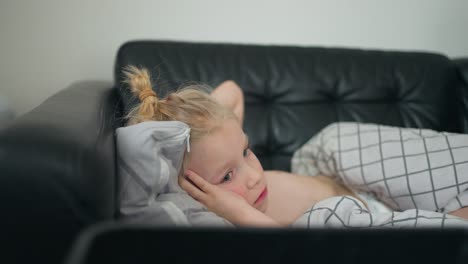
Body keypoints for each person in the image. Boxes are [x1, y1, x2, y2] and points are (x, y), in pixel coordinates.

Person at [123, 66, 468, 226]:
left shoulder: (218, 150)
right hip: (365, 223)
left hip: (359, 183)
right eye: (227, 177)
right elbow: (298, 251)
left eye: (246, 152)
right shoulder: (226, 221)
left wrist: (194, 122)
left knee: (335, 139)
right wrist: (240, 214)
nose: (254, 177)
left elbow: (231, 90)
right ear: (191, 189)